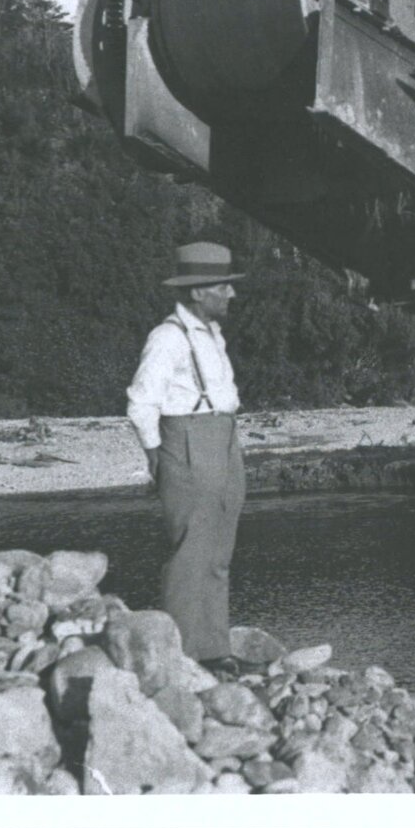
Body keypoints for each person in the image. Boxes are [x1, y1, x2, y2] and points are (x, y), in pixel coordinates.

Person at [126, 240, 247, 666]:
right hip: (189, 440)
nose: (231, 294)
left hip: (223, 436)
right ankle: (181, 654)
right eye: (222, 287)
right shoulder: (167, 337)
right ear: (198, 292)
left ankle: (213, 649)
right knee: (190, 552)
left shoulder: (212, 334)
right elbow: (141, 402)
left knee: (218, 553)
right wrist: (157, 454)